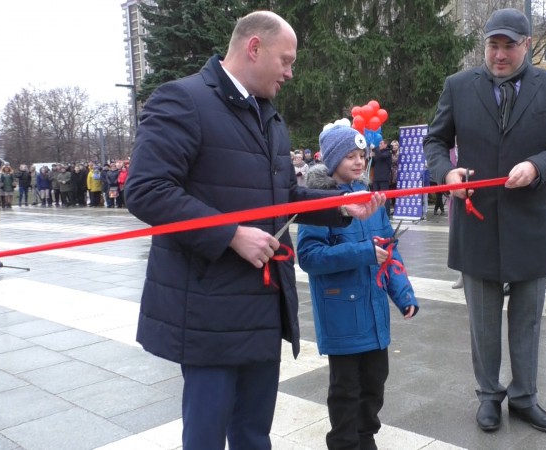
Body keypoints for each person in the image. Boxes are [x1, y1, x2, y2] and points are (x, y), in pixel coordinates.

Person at [124, 11, 384, 450]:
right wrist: (230, 234)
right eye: (285, 60)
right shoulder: (182, 99)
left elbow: (282, 196)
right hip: (209, 308)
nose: (290, 72)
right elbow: (146, 189)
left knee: (253, 432)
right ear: (254, 48)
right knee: (206, 435)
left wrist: (341, 206)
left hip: (263, 302)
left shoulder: (269, 116)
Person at [423, 8, 546, 434]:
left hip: (529, 221)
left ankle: (525, 397)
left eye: (509, 45)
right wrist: (446, 174)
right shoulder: (458, 86)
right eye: (493, 45)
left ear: (527, 44)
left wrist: (538, 165)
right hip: (476, 223)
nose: (500, 54)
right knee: (484, 323)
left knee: (527, 320)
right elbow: (435, 141)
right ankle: (489, 395)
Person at [297, 123, 418, 450]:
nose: (358, 161)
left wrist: (403, 294)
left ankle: (366, 439)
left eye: (362, 155)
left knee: (374, 385)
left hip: (375, 314)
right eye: (349, 155)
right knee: (346, 390)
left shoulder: (371, 198)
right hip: (342, 315)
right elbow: (309, 257)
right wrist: (362, 253)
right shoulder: (319, 202)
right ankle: (344, 444)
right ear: (333, 158)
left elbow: (389, 252)